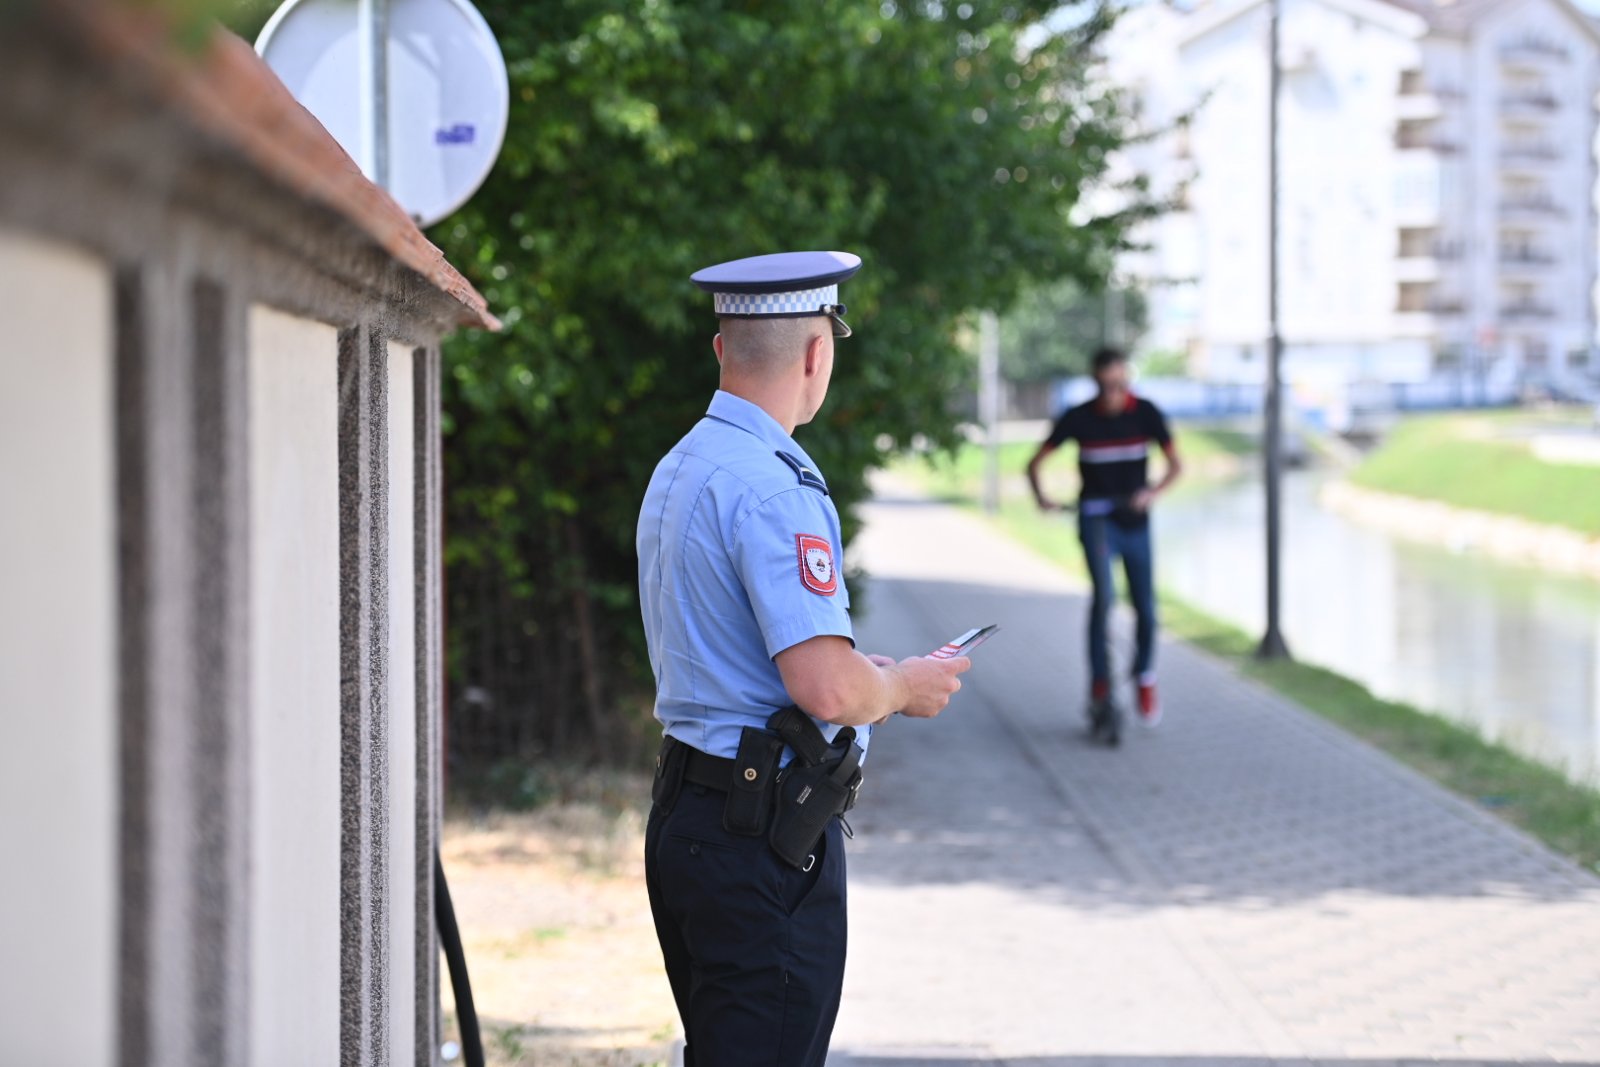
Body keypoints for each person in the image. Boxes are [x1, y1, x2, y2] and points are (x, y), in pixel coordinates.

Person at [636, 250, 971, 1066]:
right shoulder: (776, 486)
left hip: (691, 811)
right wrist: (897, 685)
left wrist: (868, 674)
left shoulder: (684, 464)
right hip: (758, 840)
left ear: (723, 351)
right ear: (819, 354)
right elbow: (823, 683)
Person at [1026, 346, 1182, 738]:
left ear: (1127, 380)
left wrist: (1151, 493)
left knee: (1146, 607)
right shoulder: (1079, 418)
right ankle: (1100, 681)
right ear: (1096, 382)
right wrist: (1042, 498)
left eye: (1119, 384)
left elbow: (1176, 465)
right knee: (1105, 599)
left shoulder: (1146, 413)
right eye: (1105, 384)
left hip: (1135, 523)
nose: (1113, 392)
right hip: (1096, 521)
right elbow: (1035, 463)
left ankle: (1144, 674)